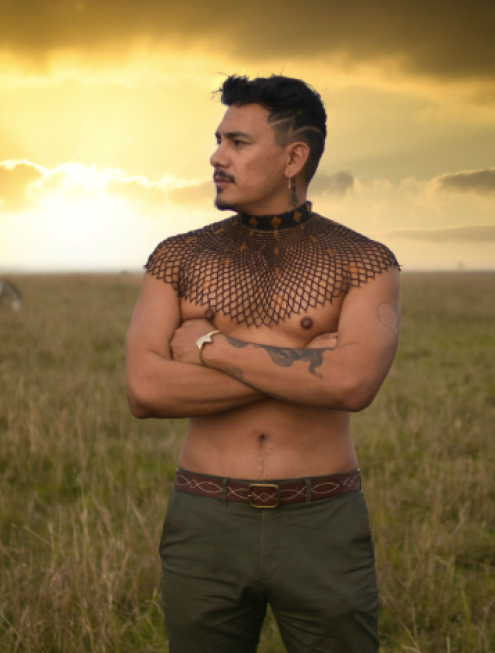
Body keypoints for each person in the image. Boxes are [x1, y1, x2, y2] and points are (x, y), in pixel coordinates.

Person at [124, 74, 400, 653]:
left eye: (238, 143)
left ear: (293, 158)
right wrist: (306, 366)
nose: (216, 157)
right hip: (207, 517)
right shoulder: (177, 258)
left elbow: (352, 385)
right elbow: (146, 390)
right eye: (218, 140)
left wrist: (213, 349)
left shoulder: (364, 261)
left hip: (321, 518)